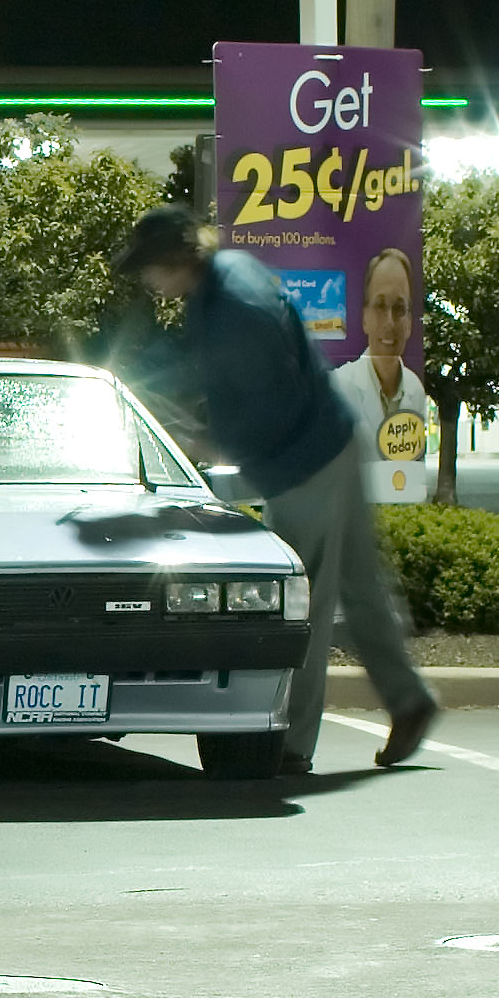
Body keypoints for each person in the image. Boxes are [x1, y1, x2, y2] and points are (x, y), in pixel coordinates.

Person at [113, 205, 437, 773]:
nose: (149, 280)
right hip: (328, 443)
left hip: (304, 464)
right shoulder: (226, 280)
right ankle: (409, 702)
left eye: (151, 268)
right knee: (359, 586)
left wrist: (206, 439)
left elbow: (259, 407)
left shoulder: (233, 307)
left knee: (300, 604)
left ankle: (290, 743)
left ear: (175, 259)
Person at [329, 247, 432, 476]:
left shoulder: (415, 389)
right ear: (364, 318)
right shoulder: (337, 387)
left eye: (399, 308)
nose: (389, 322)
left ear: (409, 323)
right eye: (380, 305)